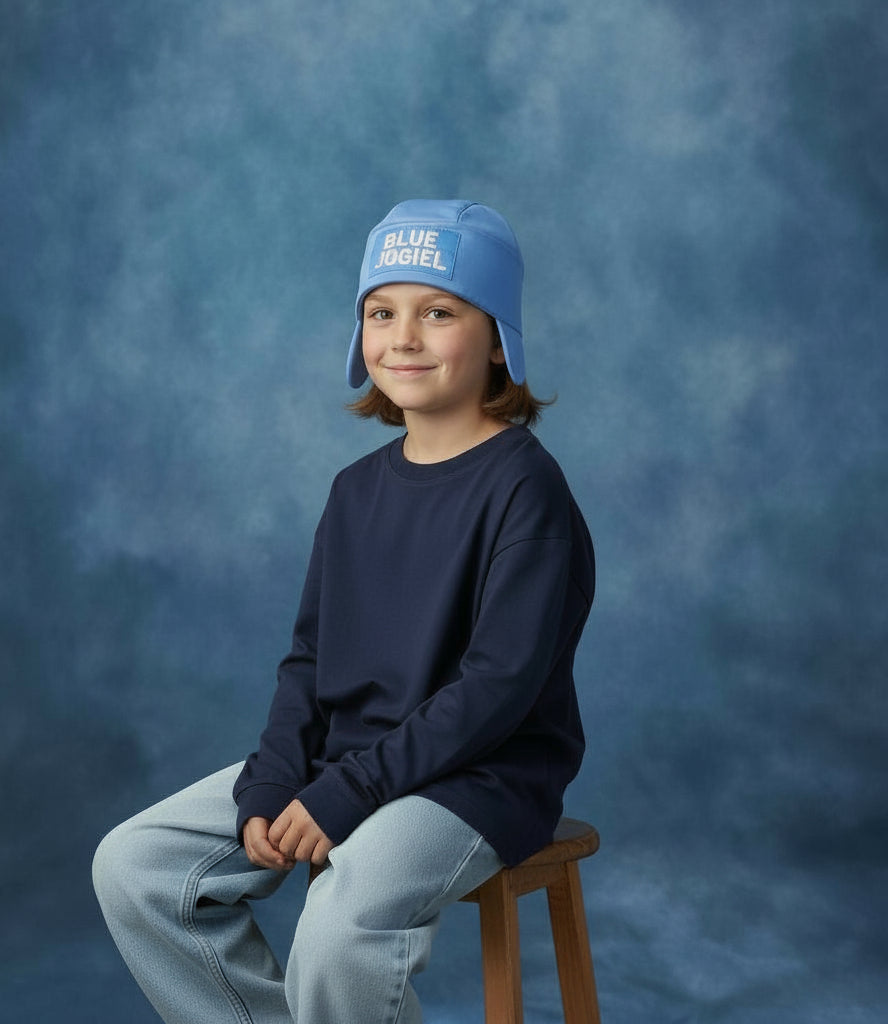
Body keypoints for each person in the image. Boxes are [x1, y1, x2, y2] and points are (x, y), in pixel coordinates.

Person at [92, 199, 595, 1024]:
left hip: (476, 778)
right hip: (349, 762)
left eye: (438, 312)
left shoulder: (525, 489)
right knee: (135, 866)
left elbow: (497, 689)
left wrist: (347, 794)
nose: (403, 337)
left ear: (499, 338)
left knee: (337, 924)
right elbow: (308, 661)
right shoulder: (353, 492)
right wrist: (276, 778)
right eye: (380, 312)